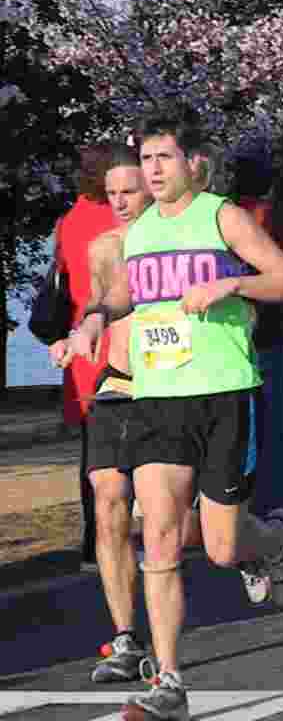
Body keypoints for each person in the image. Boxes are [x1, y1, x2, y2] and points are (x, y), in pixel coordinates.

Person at [65, 105, 283, 721]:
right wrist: (97, 315)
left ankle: (274, 539)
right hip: (155, 398)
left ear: (193, 163)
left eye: (162, 159)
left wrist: (232, 285)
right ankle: (168, 681)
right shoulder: (139, 231)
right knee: (162, 537)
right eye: (145, 160)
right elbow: (127, 290)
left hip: (223, 393)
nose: (152, 171)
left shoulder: (221, 215)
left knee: (225, 547)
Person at [49, 144, 153, 682]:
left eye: (128, 191)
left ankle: (261, 540)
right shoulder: (104, 246)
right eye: (112, 194)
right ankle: (126, 636)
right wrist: (74, 339)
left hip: (175, 392)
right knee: (109, 504)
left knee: (183, 527)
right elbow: (96, 308)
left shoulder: (188, 243)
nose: (120, 203)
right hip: (116, 389)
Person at [232, 142, 283, 519]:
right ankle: (274, 505)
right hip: (268, 333)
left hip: (229, 335)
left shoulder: (223, 217)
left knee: (237, 426)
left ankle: (237, 500)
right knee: (272, 427)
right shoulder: (272, 217)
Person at [49, 143, 119, 568]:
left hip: (81, 348)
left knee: (92, 455)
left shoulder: (67, 222)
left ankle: (92, 543)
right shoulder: (116, 220)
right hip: (113, 337)